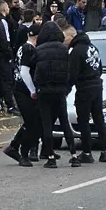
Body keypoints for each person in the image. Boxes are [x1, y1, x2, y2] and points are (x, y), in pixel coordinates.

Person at [32, 23, 78, 168]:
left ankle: (50, 156)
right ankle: (74, 155)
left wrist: (37, 88)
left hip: (44, 91)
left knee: (47, 125)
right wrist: (67, 89)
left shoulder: (38, 51)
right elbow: (71, 72)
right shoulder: (65, 50)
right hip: (60, 91)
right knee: (65, 123)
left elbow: (35, 72)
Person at [67, 26, 106, 164]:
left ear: (72, 36)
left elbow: (73, 74)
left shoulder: (76, 51)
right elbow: (100, 67)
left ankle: (86, 152)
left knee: (83, 120)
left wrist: (67, 89)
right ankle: (104, 151)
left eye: (65, 37)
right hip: (97, 85)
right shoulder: (92, 48)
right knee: (98, 118)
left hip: (84, 88)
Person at [3, 23, 43, 166]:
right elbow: (25, 71)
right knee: (31, 122)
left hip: (20, 88)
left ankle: (15, 146)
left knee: (30, 122)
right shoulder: (29, 49)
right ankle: (20, 150)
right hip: (23, 90)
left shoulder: (22, 47)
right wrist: (32, 90)